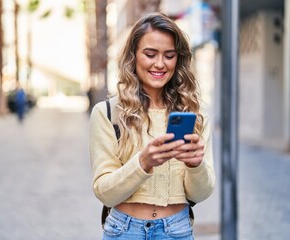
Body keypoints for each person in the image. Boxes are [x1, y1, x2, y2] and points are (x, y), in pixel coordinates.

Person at [89, 12, 215, 240]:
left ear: (179, 59)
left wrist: (195, 165)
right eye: (150, 54)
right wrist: (143, 162)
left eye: (169, 55)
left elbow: (202, 193)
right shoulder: (107, 113)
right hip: (123, 231)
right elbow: (105, 193)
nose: (160, 64)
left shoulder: (195, 115)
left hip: (177, 230)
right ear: (133, 56)